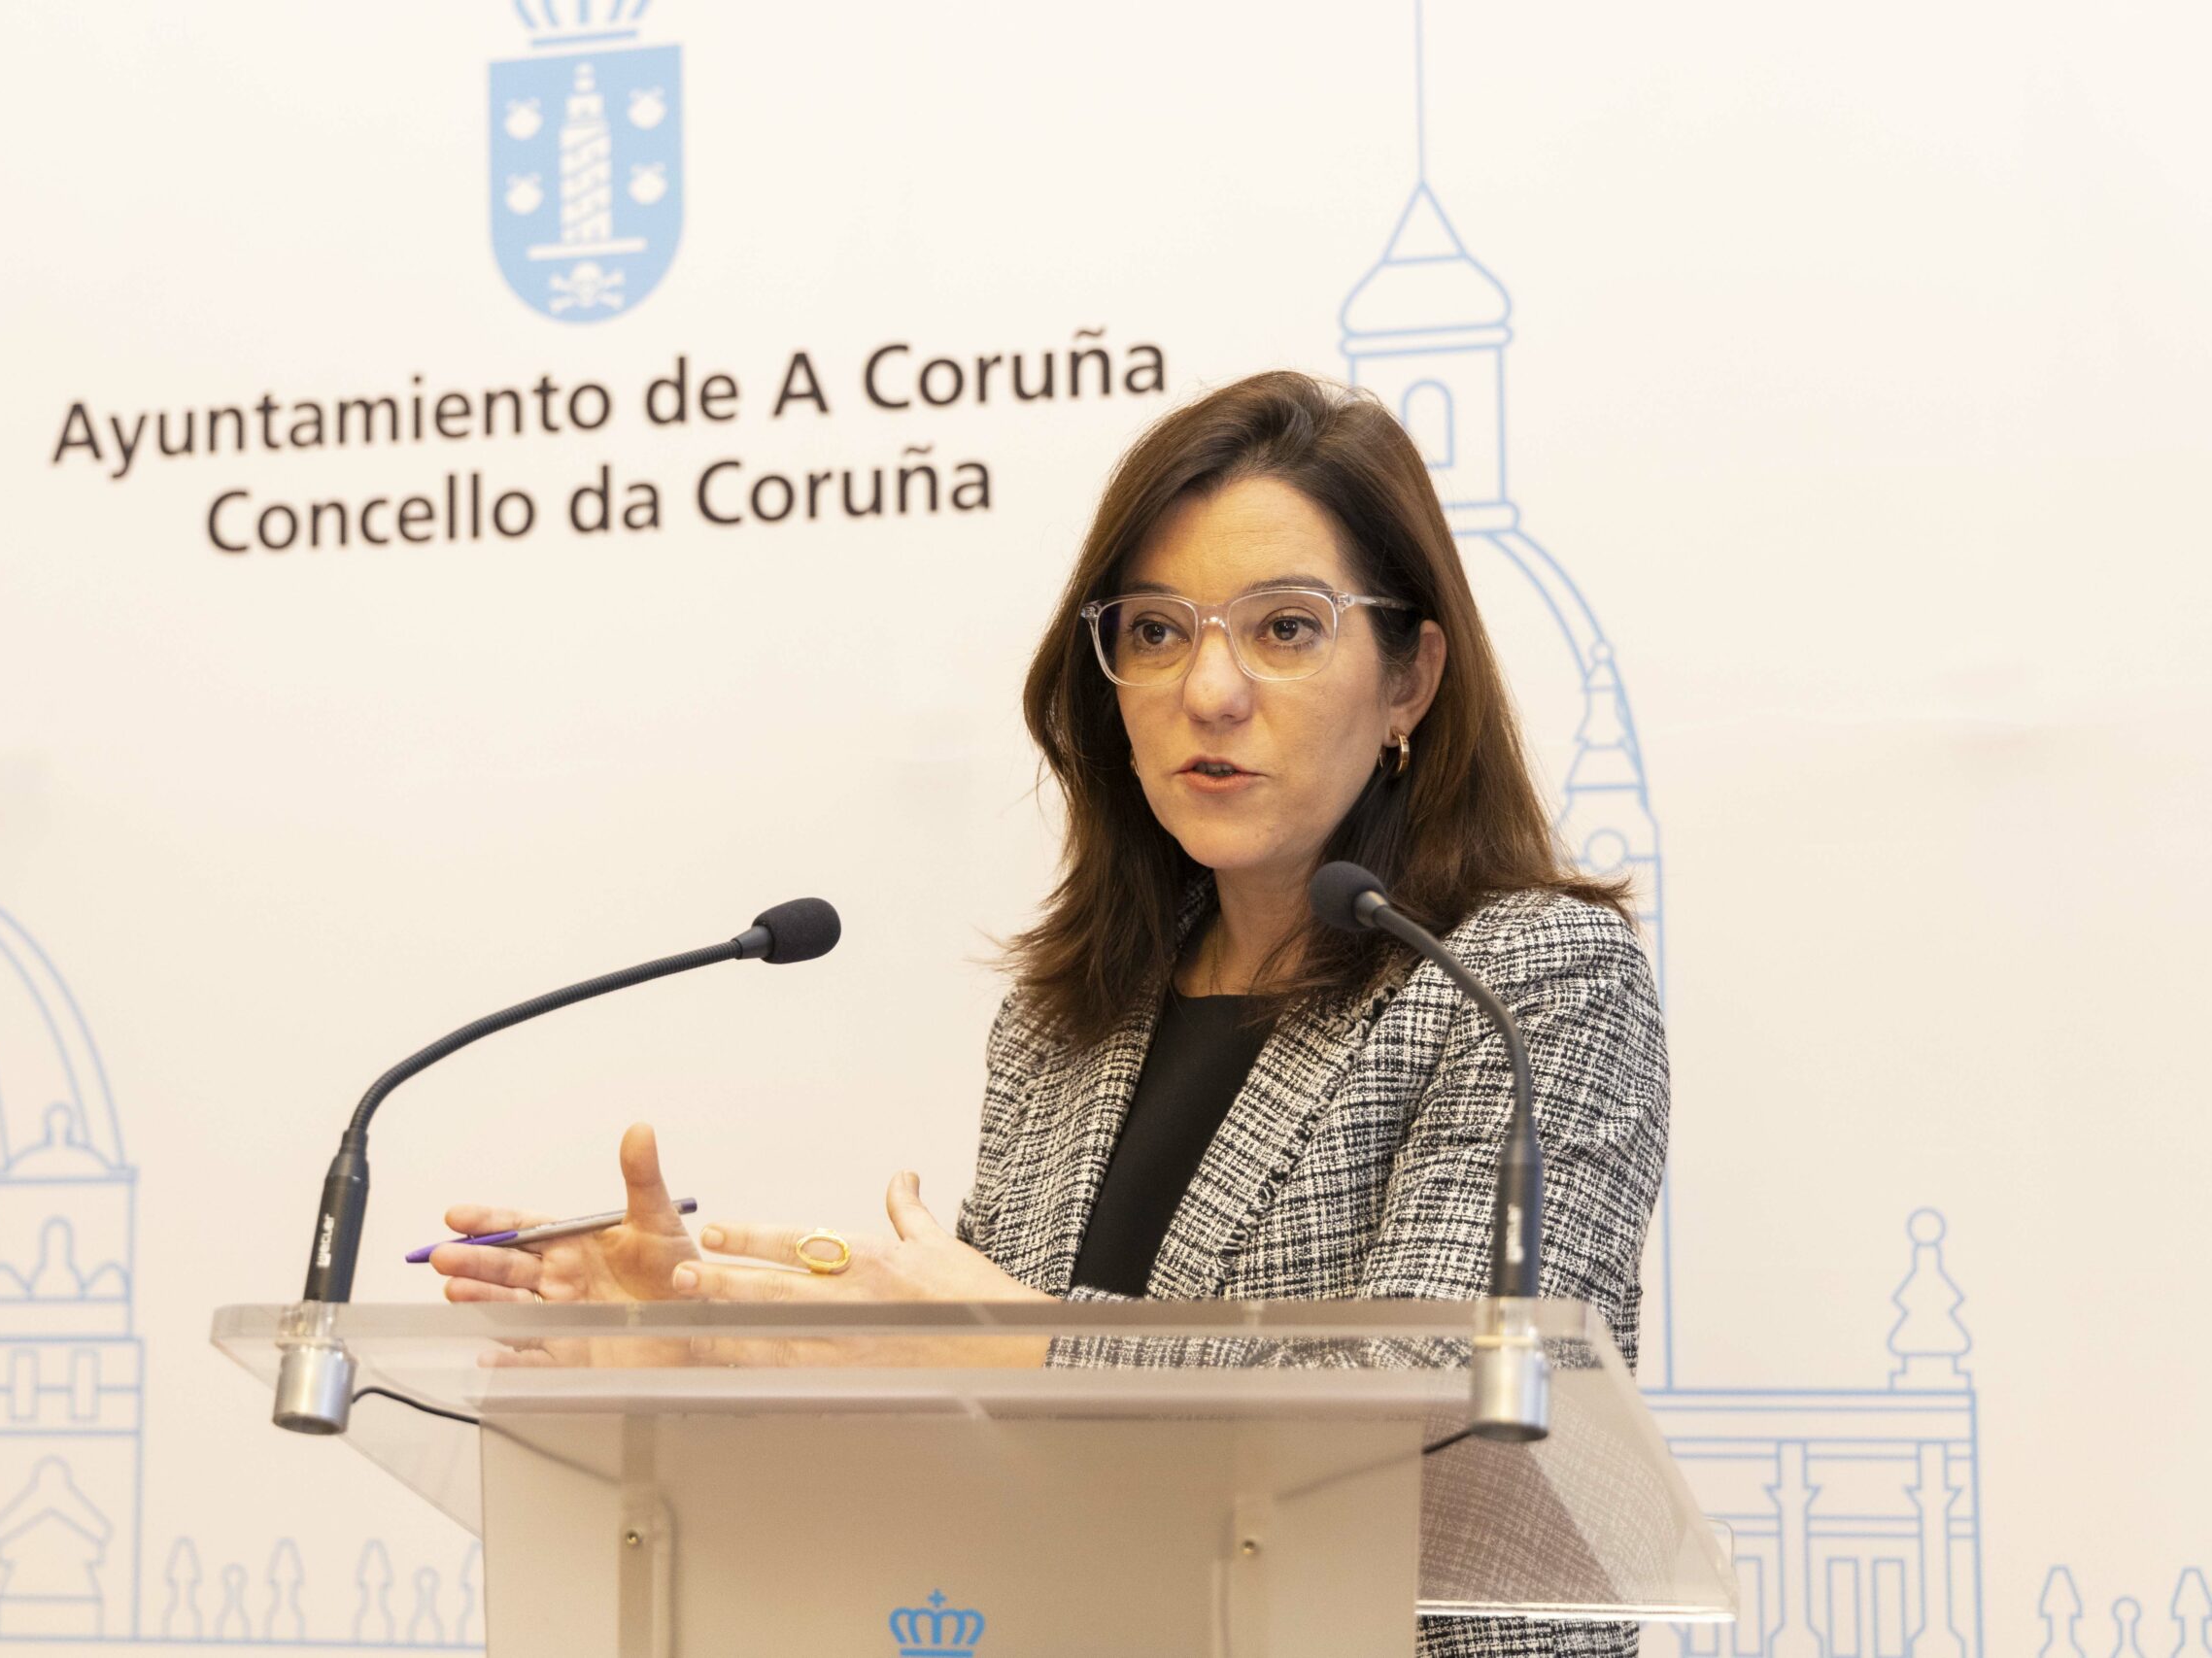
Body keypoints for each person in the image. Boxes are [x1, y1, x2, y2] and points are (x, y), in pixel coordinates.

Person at [431, 370, 1667, 1657]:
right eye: (1157, 631)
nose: (1210, 689)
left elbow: (1452, 1435)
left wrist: (1009, 1350)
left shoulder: (1525, 982)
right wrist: (707, 1352)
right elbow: (978, 1453)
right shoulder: (1064, 1023)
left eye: (1287, 628)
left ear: (1409, 677)